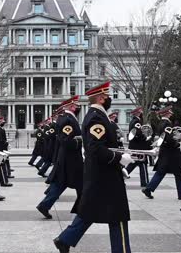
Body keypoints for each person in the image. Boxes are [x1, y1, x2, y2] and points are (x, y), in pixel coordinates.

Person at [53, 82, 134, 253]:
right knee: (118, 216)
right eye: (108, 96)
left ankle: (65, 239)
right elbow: (96, 148)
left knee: (89, 211)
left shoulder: (97, 115)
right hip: (105, 175)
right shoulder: (97, 117)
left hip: (100, 174)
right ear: (101, 98)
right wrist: (119, 158)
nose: (110, 99)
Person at [37, 95, 83, 219]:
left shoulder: (67, 118)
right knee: (77, 184)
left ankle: (45, 205)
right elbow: (65, 140)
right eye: (77, 105)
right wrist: (80, 141)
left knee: (62, 183)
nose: (79, 107)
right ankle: (83, 209)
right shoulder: (67, 120)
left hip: (69, 158)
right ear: (72, 106)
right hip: (70, 159)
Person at [142, 106, 181, 200]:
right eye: (170, 112)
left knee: (161, 172)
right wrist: (178, 145)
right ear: (167, 113)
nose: (171, 114)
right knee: (179, 172)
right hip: (172, 153)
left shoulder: (161, 123)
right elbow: (168, 138)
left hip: (165, 152)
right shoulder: (167, 124)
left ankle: (149, 188)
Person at [125, 107, 150, 187]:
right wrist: (146, 138)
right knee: (143, 165)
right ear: (138, 113)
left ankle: (121, 177)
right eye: (141, 111)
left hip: (134, 147)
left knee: (132, 165)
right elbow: (138, 133)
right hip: (139, 147)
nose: (142, 112)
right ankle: (145, 183)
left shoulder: (133, 121)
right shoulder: (137, 122)